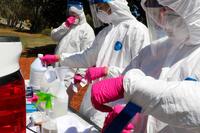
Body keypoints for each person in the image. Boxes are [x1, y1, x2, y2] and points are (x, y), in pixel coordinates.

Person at [90, 0, 200, 133]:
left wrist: (127, 86)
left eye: (168, 8)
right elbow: (126, 89)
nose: (161, 15)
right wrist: (121, 116)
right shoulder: (154, 50)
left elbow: (193, 104)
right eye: (156, 9)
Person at [40, 0, 150, 128]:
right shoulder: (105, 32)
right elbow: (86, 57)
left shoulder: (138, 30)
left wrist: (106, 71)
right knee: (83, 125)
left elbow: (142, 74)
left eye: (100, 6)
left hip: (116, 103)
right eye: (96, 7)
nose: (98, 11)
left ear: (113, 4)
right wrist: (58, 58)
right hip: (93, 97)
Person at [51, 1, 95, 89]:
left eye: (74, 14)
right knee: (53, 94)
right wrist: (65, 26)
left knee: (63, 98)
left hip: (69, 73)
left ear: (81, 14)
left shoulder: (87, 30)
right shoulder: (67, 26)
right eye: (70, 14)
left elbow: (88, 53)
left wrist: (81, 73)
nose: (72, 16)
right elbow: (54, 36)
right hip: (56, 67)